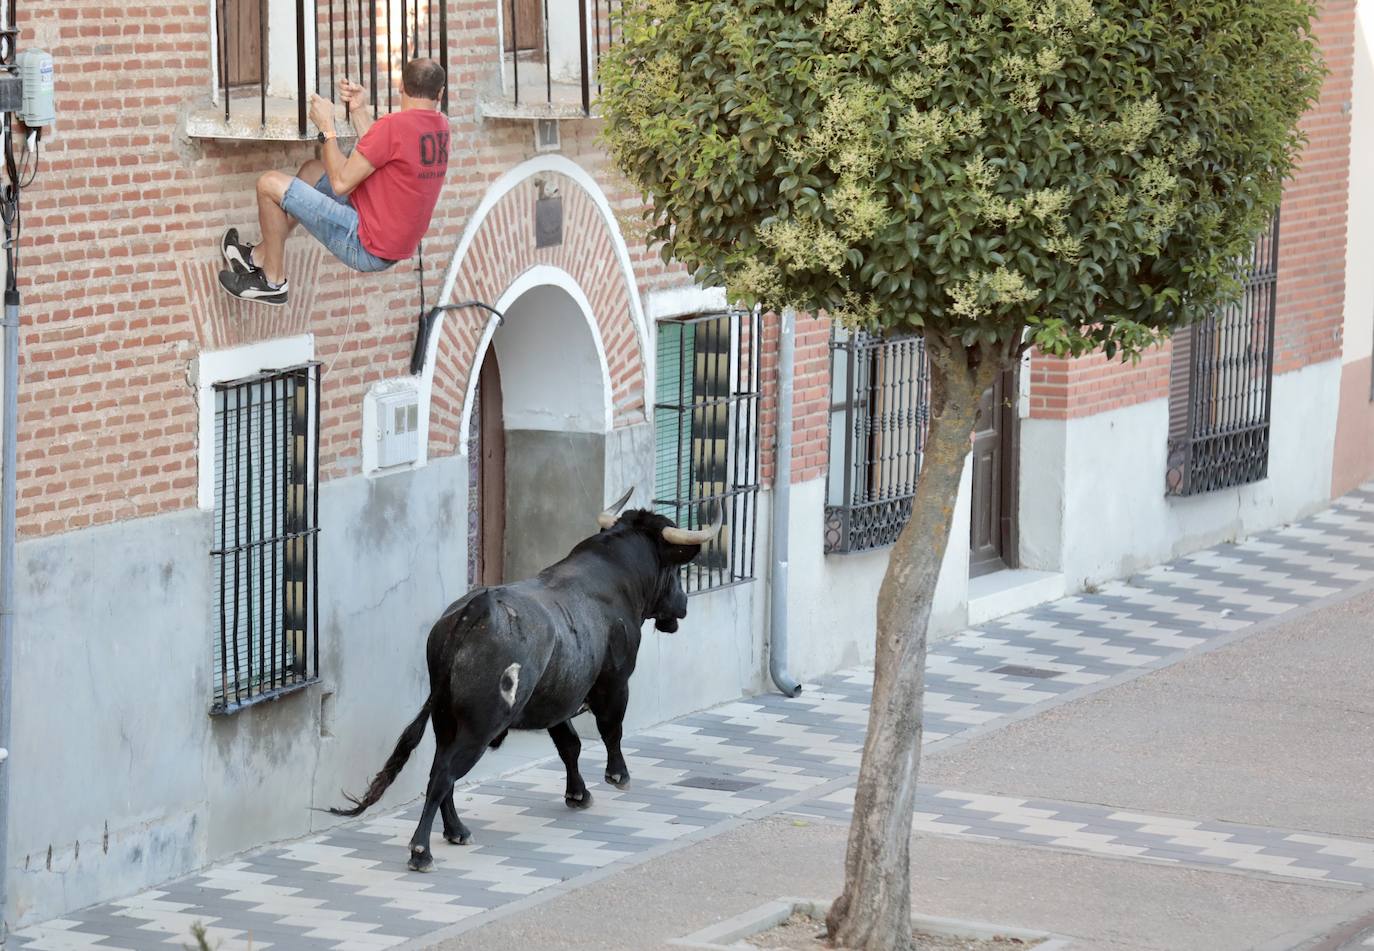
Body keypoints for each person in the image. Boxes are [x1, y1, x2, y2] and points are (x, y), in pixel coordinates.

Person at [218, 58, 450, 307]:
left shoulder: (394, 127)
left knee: (268, 184)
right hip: (388, 242)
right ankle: (259, 256)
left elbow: (341, 183)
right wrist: (359, 110)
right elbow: (381, 149)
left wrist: (326, 126)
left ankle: (272, 282)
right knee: (311, 172)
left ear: (401, 86)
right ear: (440, 93)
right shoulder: (439, 127)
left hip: (364, 242)